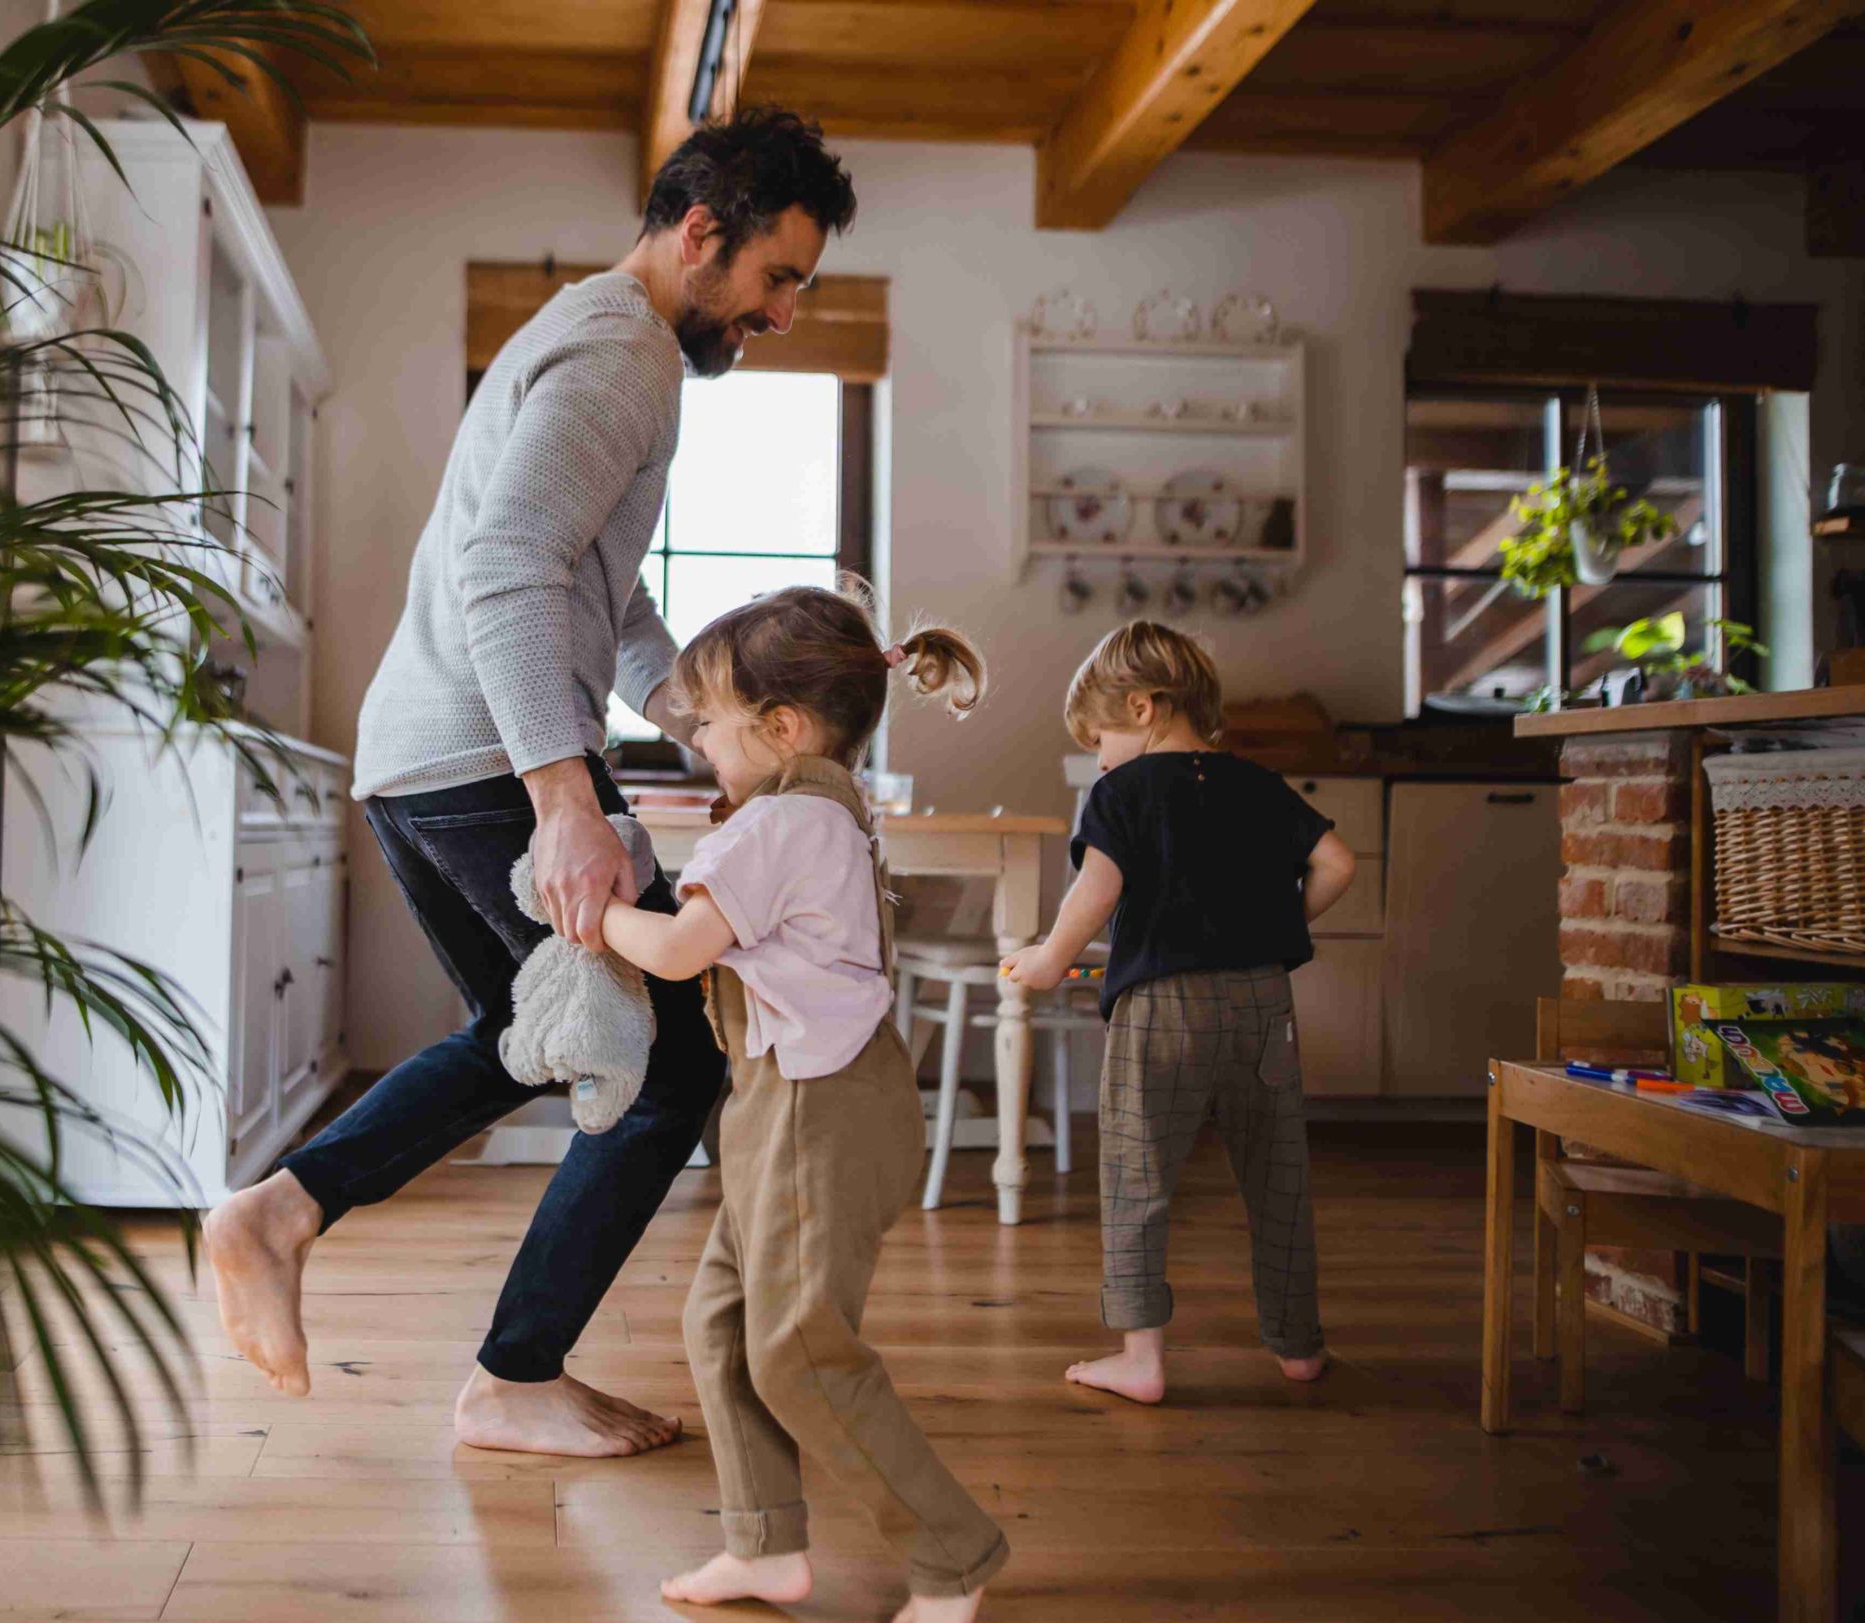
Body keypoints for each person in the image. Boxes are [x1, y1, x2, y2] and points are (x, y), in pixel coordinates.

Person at [200, 109, 859, 1458]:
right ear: (700, 235)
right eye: (777, 276)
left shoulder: (594, 333)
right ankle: (511, 1370)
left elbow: (592, 599)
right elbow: (508, 570)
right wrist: (565, 797)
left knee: (524, 1027)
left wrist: (718, 726)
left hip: (431, 753)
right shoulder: (624, 357)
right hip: (485, 757)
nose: (784, 312)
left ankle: (280, 1212)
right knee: (673, 1067)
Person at [598, 584, 1008, 1623]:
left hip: (812, 1108)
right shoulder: (828, 811)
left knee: (795, 1346)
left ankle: (952, 1554)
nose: (696, 741)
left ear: (780, 729)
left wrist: (594, 917)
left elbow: (680, 951)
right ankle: (765, 1545)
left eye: (708, 723)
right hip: (813, 1092)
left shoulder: (773, 824)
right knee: (724, 1322)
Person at [1003, 621, 1354, 1406]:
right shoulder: (1259, 782)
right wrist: (1279, 925)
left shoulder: (1121, 794)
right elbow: (1338, 863)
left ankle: (1142, 1357)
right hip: (1265, 1005)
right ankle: (1299, 1346)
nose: (1098, 757)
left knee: (1139, 1176)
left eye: (1100, 736)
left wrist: (1048, 958)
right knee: (1278, 1178)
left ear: (1143, 706)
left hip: (1163, 1008)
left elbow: (1094, 893)